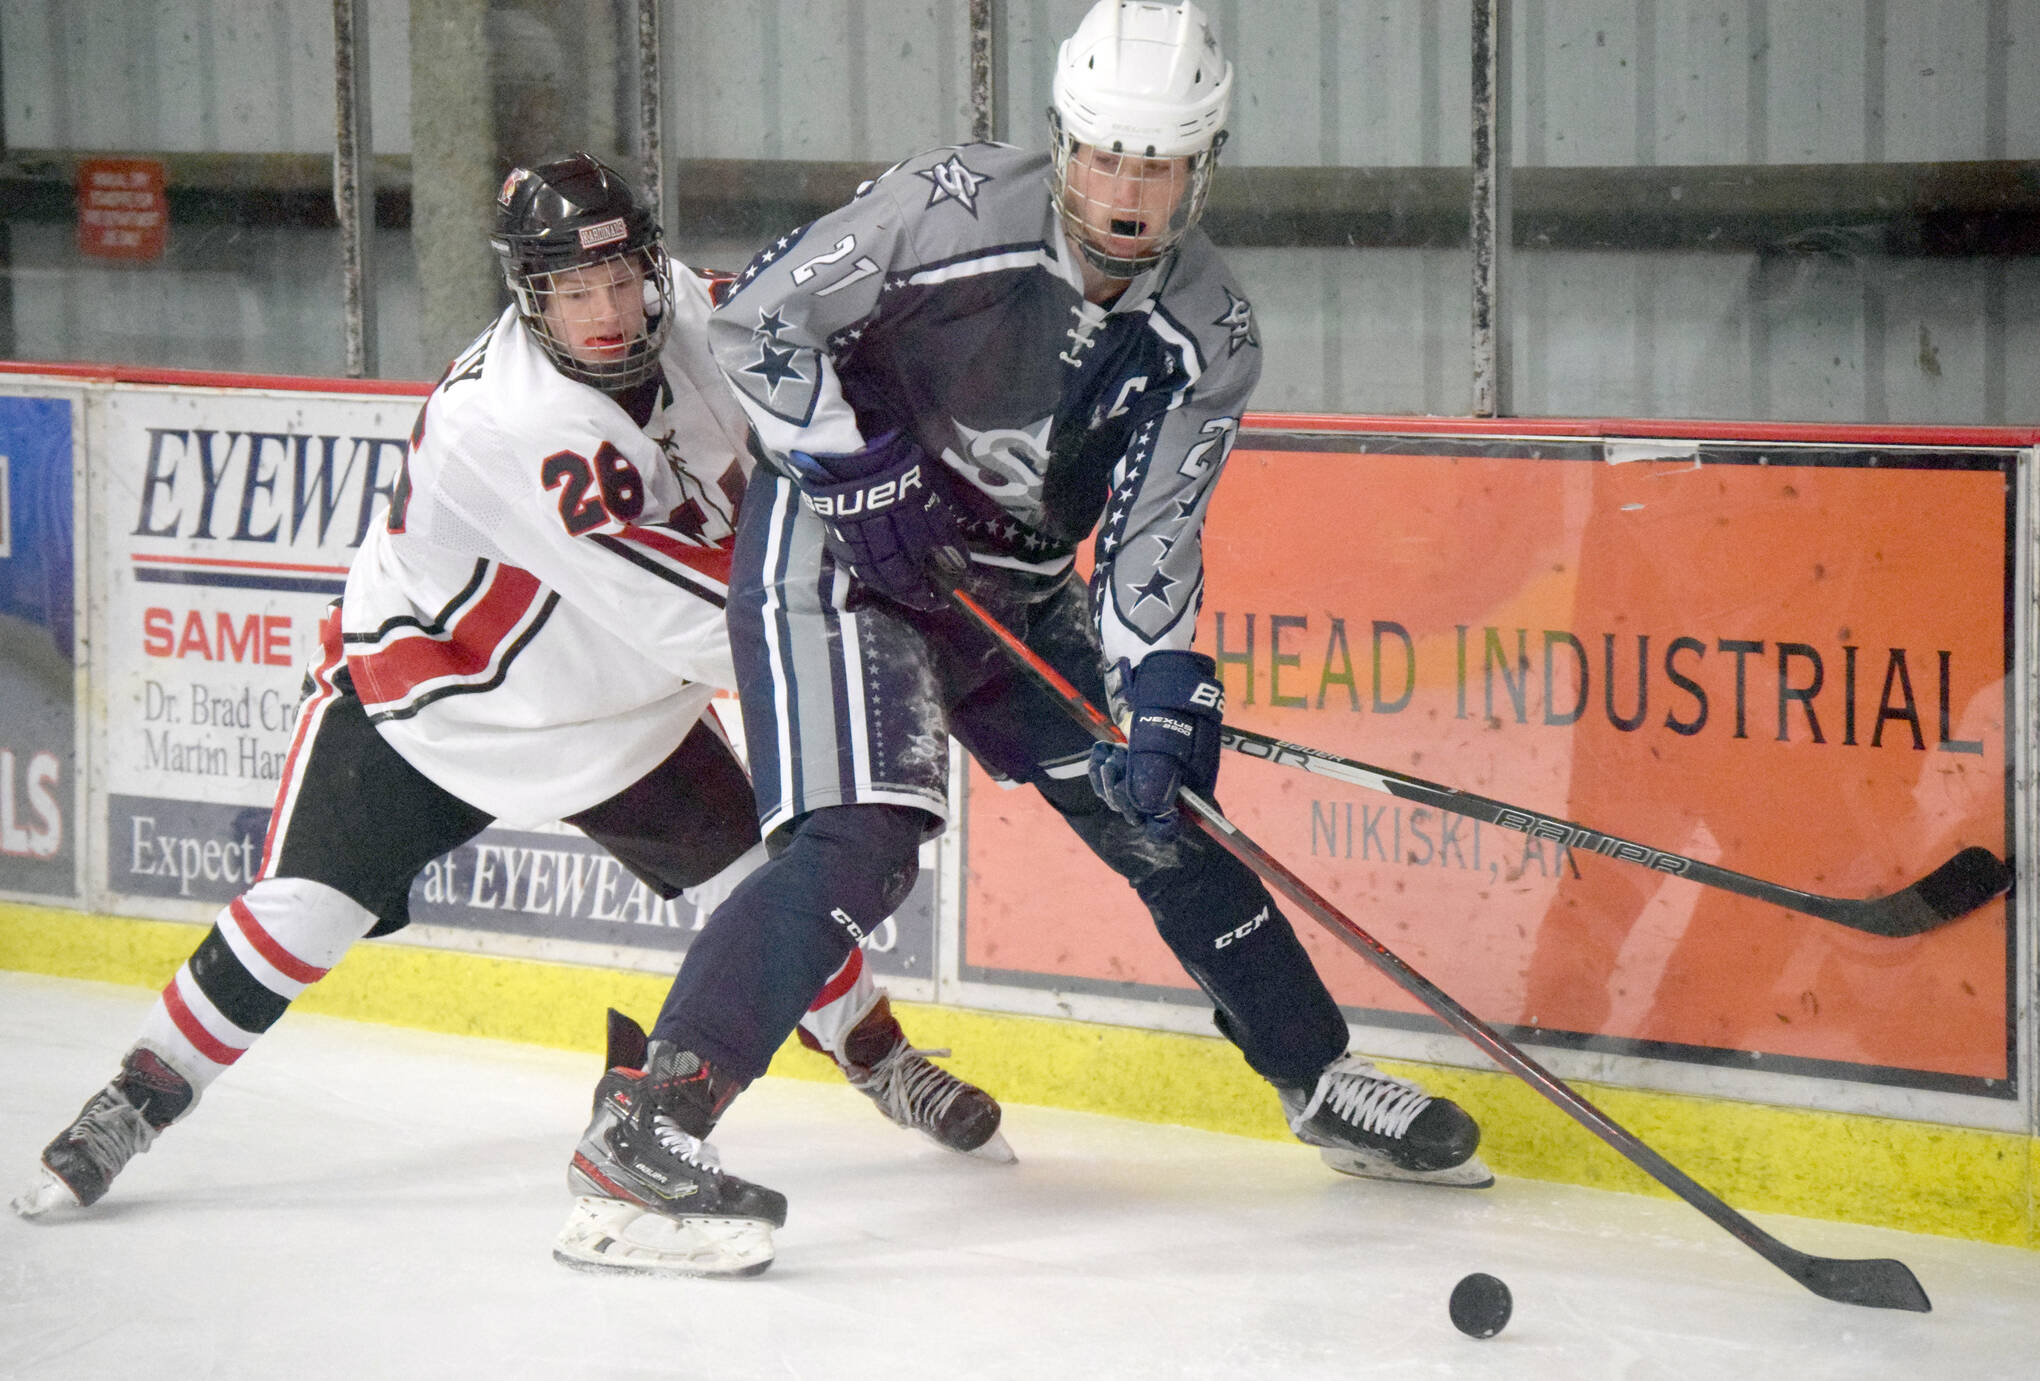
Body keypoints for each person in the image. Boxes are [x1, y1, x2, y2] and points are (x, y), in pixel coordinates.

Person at [591, 0, 1492, 1265]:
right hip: (844, 550)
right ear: (1063, 141)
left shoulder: (1209, 332)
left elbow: (1149, 536)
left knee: (1167, 810)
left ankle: (1317, 1078)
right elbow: (758, 318)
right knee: (863, 835)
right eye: (1108, 155)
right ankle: (648, 1127)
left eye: (1161, 163)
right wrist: (852, 468)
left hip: (1009, 588)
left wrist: (1164, 686)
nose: (1128, 191)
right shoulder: (943, 206)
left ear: (1202, 167)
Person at [11, 155, 1008, 1274]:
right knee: (299, 916)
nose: (604, 311)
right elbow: (702, 621)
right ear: (527, 294)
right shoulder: (504, 422)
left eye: (621, 279)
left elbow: (804, 392)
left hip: (616, 715)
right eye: (571, 293)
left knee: (765, 902)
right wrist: (907, 642)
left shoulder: (691, 306)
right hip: (441, 706)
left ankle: (882, 1060)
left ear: (646, 262)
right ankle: (137, 1095)